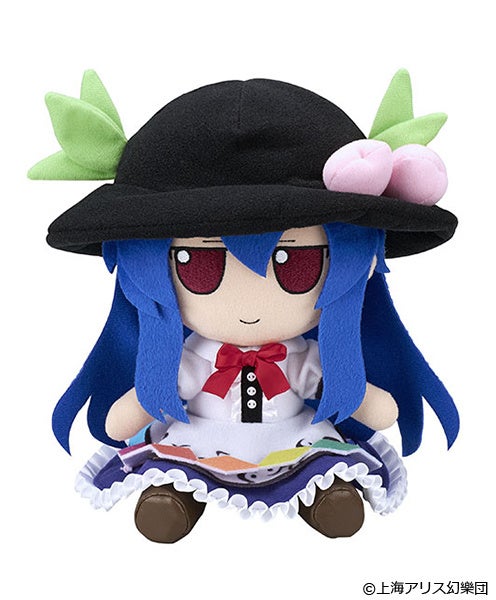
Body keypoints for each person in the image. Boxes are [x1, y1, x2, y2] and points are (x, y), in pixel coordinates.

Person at [30, 70, 459, 543]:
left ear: (355, 263)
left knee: (322, 466)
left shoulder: (302, 358)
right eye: (198, 265)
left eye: (295, 264)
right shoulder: (193, 359)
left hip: (294, 438)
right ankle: (175, 501)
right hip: (202, 439)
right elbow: (133, 412)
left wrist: (364, 396)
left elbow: (354, 396)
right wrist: (135, 407)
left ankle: (326, 499)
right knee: (177, 470)